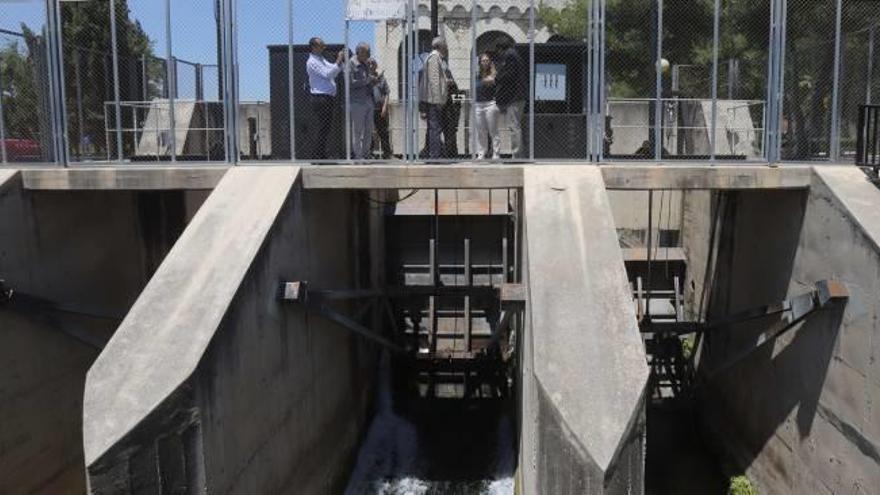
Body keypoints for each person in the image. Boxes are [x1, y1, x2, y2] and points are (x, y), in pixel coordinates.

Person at [306, 37, 344, 160]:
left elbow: (333, 69)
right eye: (321, 45)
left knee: (325, 128)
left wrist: (339, 62)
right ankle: (316, 156)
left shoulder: (321, 59)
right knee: (321, 127)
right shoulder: (312, 62)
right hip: (320, 98)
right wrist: (338, 60)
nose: (324, 47)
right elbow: (329, 74)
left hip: (327, 98)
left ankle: (321, 154)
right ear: (314, 47)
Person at [494, 39, 526, 158]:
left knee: (513, 126)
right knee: (514, 125)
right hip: (516, 96)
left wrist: (496, 78)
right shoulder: (513, 54)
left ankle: (517, 155)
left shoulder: (510, 55)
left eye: (498, 51)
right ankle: (517, 154)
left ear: (500, 49)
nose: (498, 54)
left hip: (515, 97)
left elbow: (509, 75)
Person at [419, 37, 449, 159]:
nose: (446, 48)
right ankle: (434, 155)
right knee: (434, 129)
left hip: (433, 100)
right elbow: (434, 80)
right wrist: (438, 100)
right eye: (445, 46)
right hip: (434, 100)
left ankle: (434, 154)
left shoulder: (434, 58)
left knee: (434, 128)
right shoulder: (434, 58)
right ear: (440, 46)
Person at [348, 42, 378, 160]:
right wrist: (367, 80)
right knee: (357, 131)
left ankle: (366, 154)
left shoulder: (366, 63)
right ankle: (358, 156)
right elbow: (351, 83)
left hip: (368, 100)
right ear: (359, 52)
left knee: (369, 130)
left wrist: (373, 71)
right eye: (367, 52)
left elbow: (368, 79)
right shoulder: (351, 63)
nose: (369, 55)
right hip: (357, 102)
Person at [473, 52, 501, 160]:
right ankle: (481, 153)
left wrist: (492, 69)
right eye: (482, 60)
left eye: (486, 60)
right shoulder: (477, 74)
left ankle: (496, 153)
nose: (484, 62)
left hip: (490, 104)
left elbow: (491, 80)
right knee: (480, 130)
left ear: (490, 62)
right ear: (479, 62)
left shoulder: (493, 73)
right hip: (478, 104)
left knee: (493, 130)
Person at [370, 59, 392, 159]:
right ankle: (369, 152)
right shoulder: (365, 78)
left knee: (383, 131)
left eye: (373, 64)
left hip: (380, 108)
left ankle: (386, 152)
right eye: (369, 64)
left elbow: (387, 93)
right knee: (369, 132)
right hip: (369, 109)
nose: (371, 66)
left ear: (376, 65)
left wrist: (384, 107)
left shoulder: (382, 78)